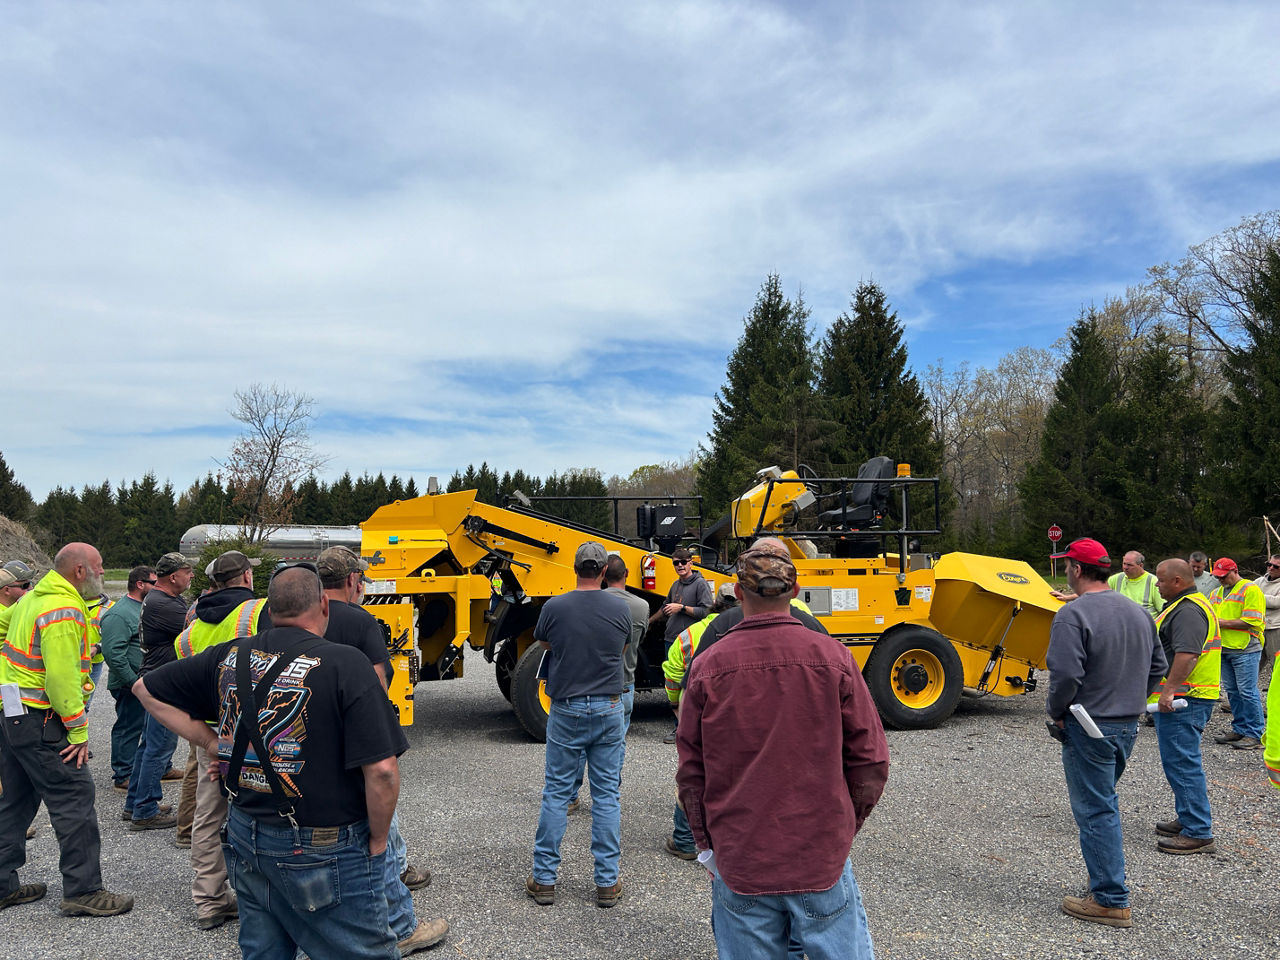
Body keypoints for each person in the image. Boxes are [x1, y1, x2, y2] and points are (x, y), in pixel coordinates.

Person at [134, 565, 418, 960]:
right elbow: (383, 771)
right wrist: (380, 839)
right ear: (323, 603)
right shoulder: (346, 663)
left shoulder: (231, 656)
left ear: (269, 609)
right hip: (323, 842)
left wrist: (211, 742)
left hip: (246, 832)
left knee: (264, 950)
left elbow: (144, 688)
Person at [677, 545, 889, 959]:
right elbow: (870, 761)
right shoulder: (834, 658)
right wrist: (843, 828)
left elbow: (691, 772)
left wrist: (705, 842)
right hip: (818, 856)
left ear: (738, 593)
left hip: (742, 857)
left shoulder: (708, 667)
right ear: (795, 589)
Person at [316, 546, 445, 952]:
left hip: (304, 743)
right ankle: (401, 926)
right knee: (377, 826)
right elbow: (375, 683)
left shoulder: (286, 617)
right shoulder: (360, 620)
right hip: (354, 741)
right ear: (354, 580)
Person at [0, 543, 134, 916]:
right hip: (41, 717)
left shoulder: (32, 598)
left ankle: (1, 885)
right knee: (74, 796)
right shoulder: (63, 608)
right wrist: (78, 731)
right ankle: (84, 890)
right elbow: (60, 681)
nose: (104, 573)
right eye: (100, 566)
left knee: (14, 800)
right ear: (80, 571)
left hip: (12, 714)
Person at [1044, 538, 1166, 927]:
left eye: (1067, 566)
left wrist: (1057, 712)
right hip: (1126, 725)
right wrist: (1131, 698)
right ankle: (1105, 886)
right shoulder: (1138, 612)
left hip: (1088, 725)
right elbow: (1158, 665)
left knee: (1097, 810)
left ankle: (1110, 898)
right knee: (1103, 802)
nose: (1066, 571)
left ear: (1076, 570)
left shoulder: (1073, 615)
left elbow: (1065, 674)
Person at [527, 542, 630, 909]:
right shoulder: (622, 606)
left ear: (574, 569)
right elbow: (621, 647)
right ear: (604, 571)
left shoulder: (555, 607)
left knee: (556, 793)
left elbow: (543, 640)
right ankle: (606, 882)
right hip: (608, 706)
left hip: (567, 707)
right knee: (606, 796)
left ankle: (544, 880)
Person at [171, 550, 265, 931]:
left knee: (208, 814)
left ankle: (209, 900)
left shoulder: (190, 628)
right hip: (255, 731)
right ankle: (267, 894)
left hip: (209, 733)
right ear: (245, 577)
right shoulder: (258, 612)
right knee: (266, 809)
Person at [567, 554, 650, 816]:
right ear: (626, 573)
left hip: (587, 683)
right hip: (623, 683)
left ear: (603, 574)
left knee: (578, 744)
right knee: (615, 745)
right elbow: (639, 639)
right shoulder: (641, 606)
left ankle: (570, 797)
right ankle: (609, 795)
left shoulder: (587, 604)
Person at [1150, 558, 1221, 854]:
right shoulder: (1188, 604)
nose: (1156, 584)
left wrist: (1168, 692)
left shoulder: (1188, 610)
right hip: (1188, 697)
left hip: (1185, 700)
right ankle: (1189, 816)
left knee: (1182, 763)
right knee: (1180, 762)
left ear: (1177, 581)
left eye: (1160, 580)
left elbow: (1188, 655)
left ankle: (1198, 831)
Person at [661, 581, 736, 860]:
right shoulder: (746, 629)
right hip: (732, 717)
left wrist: (675, 706)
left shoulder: (690, 633)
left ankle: (684, 840)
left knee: (691, 773)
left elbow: (671, 672)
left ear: (715, 602)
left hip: (694, 714)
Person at [125, 552, 192, 830]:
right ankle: (145, 810)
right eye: (188, 572)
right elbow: (195, 628)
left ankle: (135, 803)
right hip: (164, 682)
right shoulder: (165, 604)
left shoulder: (163, 599)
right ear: (173, 576)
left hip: (158, 678)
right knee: (160, 746)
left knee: (149, 745)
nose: (191, 577)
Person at [100, 565, 156, 791]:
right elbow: (113, 654)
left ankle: (159, 769)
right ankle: (123, 774)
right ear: (140, 584)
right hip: (129, 684)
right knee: (128, 726)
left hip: (144, 681)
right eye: (153, 582)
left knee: (147, 726)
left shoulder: (144, 607)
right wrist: (133, 683)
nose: (157, 586)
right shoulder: (119, 613)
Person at [1208, 557, 1266, 750]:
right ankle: (1240, 728)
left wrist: (1220, 622)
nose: (1221, 580)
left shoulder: (1250, 589)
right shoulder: (1216, 592)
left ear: (1235, 571)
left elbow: (1252, 620)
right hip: (1224, 648)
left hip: (1245, 648)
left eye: (1223, 576)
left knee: (1247, 692)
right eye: (1217, 577)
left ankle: (1255, 733)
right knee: (1232, 692)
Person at [1105, 551, 1164, 618]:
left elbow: (1163, 611)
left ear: (1141, 565)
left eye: (1130, 565)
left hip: (1144, 626)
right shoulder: (1115, 579)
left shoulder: (1153, 582)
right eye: (1124, 564)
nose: (1125, 567)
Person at [1251, 553, 1280, 689]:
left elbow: (1276, 602)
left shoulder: (1258, 588)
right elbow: (1246, 591)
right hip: (1258, 628)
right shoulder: (1259, 581)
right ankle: (1243, 700)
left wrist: (1256, 596)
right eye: (1269, 564)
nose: (1271, 568)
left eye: (1276, 566)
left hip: (1276, 629)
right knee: (1252, 665)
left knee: (1277, 666)